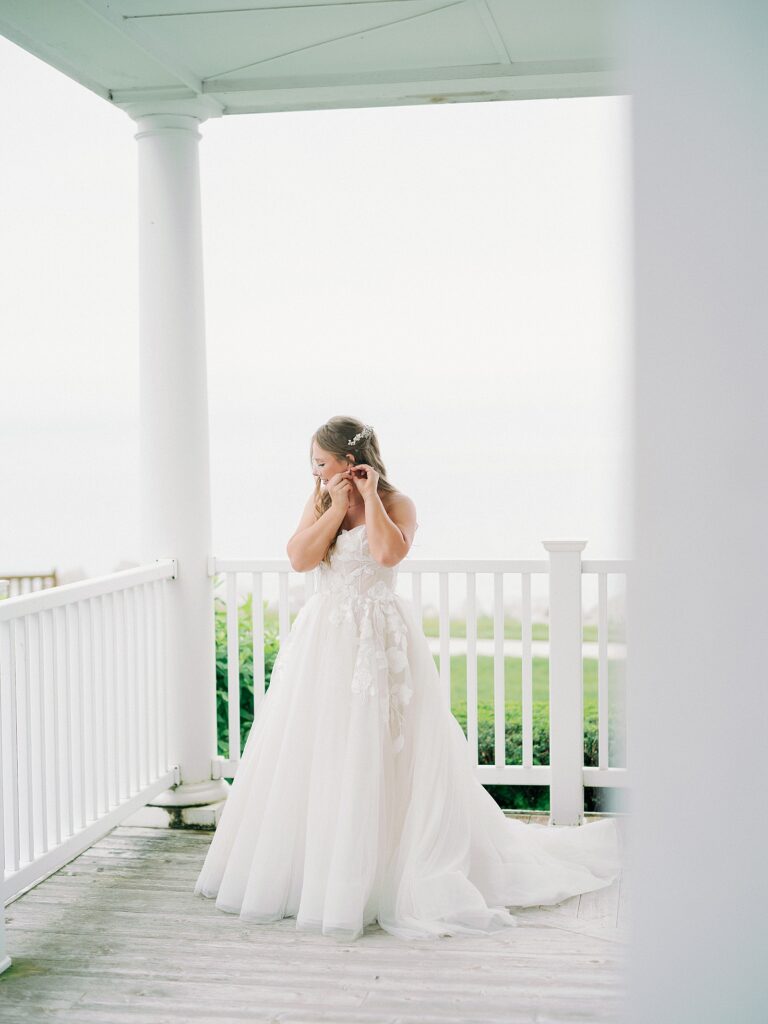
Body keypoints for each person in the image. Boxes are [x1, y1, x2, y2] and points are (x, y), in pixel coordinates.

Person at [193, 416, 622, 941]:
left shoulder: (399, 504)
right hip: (325, 640)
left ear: (350, 461)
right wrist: (332, 505)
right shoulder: (320, 501)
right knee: (324, 746)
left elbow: (387, 553)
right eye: (313, 463)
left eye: (322, 462)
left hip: (380, 640)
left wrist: (368, 498)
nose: (315, 471)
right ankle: (322, 873)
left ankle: (389, 868)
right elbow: (300, 559)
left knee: (386, 747)